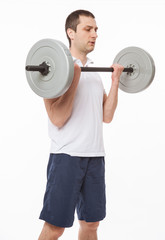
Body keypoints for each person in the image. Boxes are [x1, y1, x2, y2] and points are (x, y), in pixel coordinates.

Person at [38, 9, 124, 240]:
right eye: (88, 29)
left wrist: (115, 81)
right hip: (67, 157)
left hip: (95, 157)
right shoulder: (53, 69)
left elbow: (106, 116)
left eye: (96, 29)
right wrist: (75, 76)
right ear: (71, 33)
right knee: (55, 228)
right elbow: (57, 118)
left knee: (91, 225)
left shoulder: (95, 72)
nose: (94, 34)